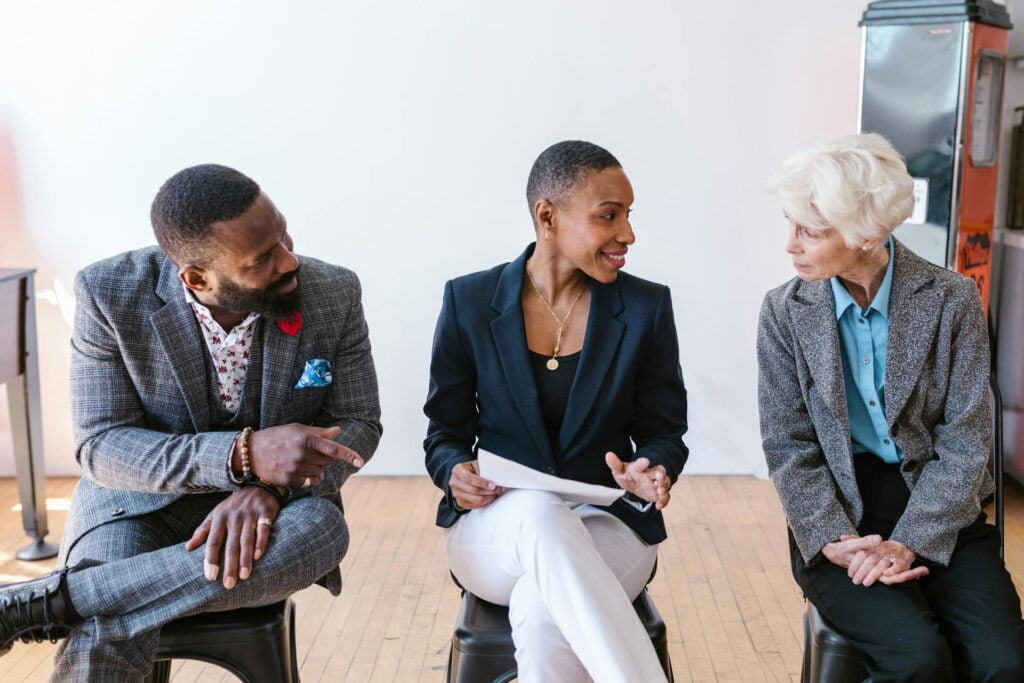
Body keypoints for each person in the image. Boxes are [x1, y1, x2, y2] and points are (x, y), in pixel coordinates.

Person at [0, 164, 382, 681]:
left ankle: (47, 602)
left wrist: (267, 485)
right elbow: (102, 444)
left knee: (319, 532)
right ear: (196, 278)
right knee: (104, 628)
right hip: (131, 508)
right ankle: (85, 598)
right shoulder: (108, 292)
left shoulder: (333, 292)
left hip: (280, 513)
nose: (289, 259)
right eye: (263, 257)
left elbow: (358, 420)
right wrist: (240, 455)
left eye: (283, 235)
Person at [758, 133, 1024, 680]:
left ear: (867, 233)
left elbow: (966, 441)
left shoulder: (951, 300)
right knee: (918, 659)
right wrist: (835, 539)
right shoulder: (783, 313)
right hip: (841, 514)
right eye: (791, 225)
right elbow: (788, 445)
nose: (790, 245)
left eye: (809, 231)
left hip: (942, 504)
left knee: (1004, 662)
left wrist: (911, 542)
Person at [424, 140, 688, 682]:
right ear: (547, 216)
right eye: (607, 216)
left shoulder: (645, 308)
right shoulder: (468, 301)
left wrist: (652, 470)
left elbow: (665, 433)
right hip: (494, 528)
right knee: (539, 512)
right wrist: (454, 473)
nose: (628, 235)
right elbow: (444, 433)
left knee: (543, 610)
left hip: (609, 525)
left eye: (628, 216)